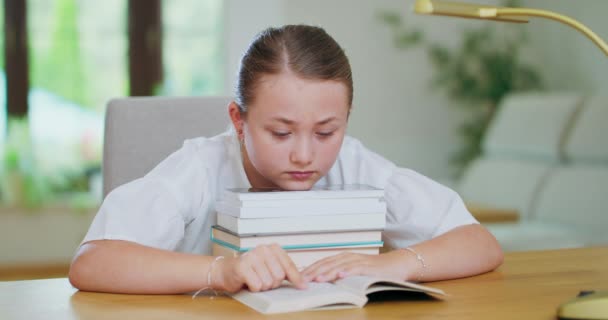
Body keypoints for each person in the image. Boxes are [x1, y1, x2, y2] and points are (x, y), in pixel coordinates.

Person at [69, 24, 503, 295]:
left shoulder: (352, 163)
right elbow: (92, 263)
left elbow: (479, 243)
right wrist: (222, 272)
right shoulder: (199, 168)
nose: (304, 154)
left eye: (326, 131)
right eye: (280, 132)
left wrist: (394, 263)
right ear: (238, 120)